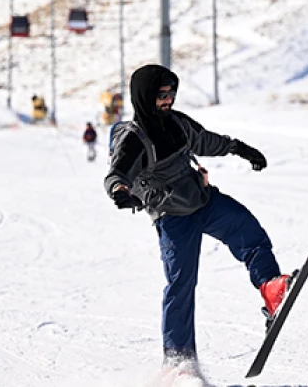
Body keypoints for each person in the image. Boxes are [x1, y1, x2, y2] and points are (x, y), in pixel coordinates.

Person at [104, 64, 290, 371]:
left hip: (203, 201)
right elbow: (117, 172)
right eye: (161, 95)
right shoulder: (134, 138)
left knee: (249, 232)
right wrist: (120, 190)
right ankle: (179, 362)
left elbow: (204, 140)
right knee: (181, 285)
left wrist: (238, 148)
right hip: (173, 217)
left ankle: (271, 287)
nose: (167, 100)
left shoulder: (176, 123)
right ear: (144, 96)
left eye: (171, 94)